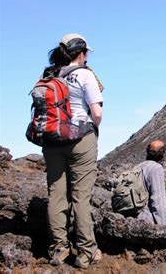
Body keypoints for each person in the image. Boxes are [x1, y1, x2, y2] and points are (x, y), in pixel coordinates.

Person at [42, 33, 103, 268]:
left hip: (52, 141)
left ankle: (58, 248)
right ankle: (86, 251)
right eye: (86, 52)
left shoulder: (50, 75)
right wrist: (91, 129)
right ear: (81, 53)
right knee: (81, 196)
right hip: (81, 139)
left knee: (56, 195)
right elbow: (96, 113)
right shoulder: (85, 75)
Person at [136, 140, 166, 226]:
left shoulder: (137, 167)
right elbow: (158, 200)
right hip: (145, 220)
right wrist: (165, 228)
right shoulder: (156, 168)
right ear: (162, 154)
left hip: (131, 216)